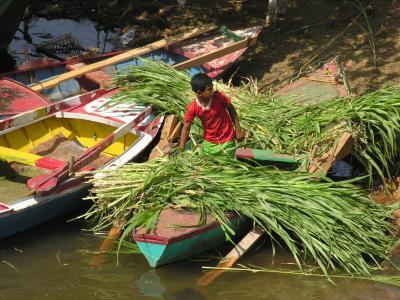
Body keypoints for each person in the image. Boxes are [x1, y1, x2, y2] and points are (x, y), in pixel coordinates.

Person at [179, 73, 244, 156]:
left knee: (226, 165)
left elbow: (231, 109)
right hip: (210, 142)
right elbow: (186, 129)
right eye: (209, 89)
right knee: (209, 165)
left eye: (212, 87)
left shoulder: (219, 97)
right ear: (199, 93)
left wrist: (238, 129)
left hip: (227, 139)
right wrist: (181, 151)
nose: (212, 90)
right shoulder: (193, 107)